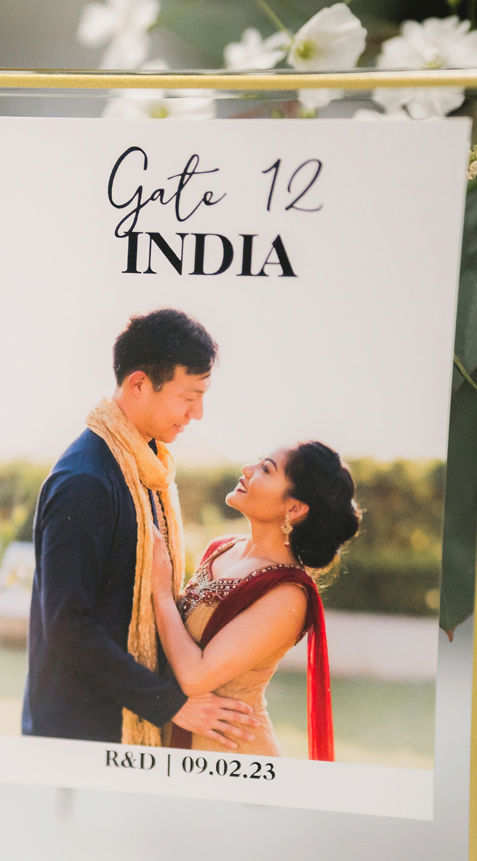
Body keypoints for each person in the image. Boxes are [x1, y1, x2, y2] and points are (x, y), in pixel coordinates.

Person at [22, 308, 258, 750]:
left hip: (119, 727)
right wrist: (169, 704)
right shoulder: (85, 481)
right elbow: (66, 625)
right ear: (138, 384)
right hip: (80, 736)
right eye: (189, 396)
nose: (197, 413)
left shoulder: (148, 469)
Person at [149, 442, 362, 760]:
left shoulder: (287, 593)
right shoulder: (221, 549)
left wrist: (161, 592)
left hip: (234, 757)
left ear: (294, 508)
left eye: (265, 469)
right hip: (174, 741)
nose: (246, 470)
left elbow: (195, 677)